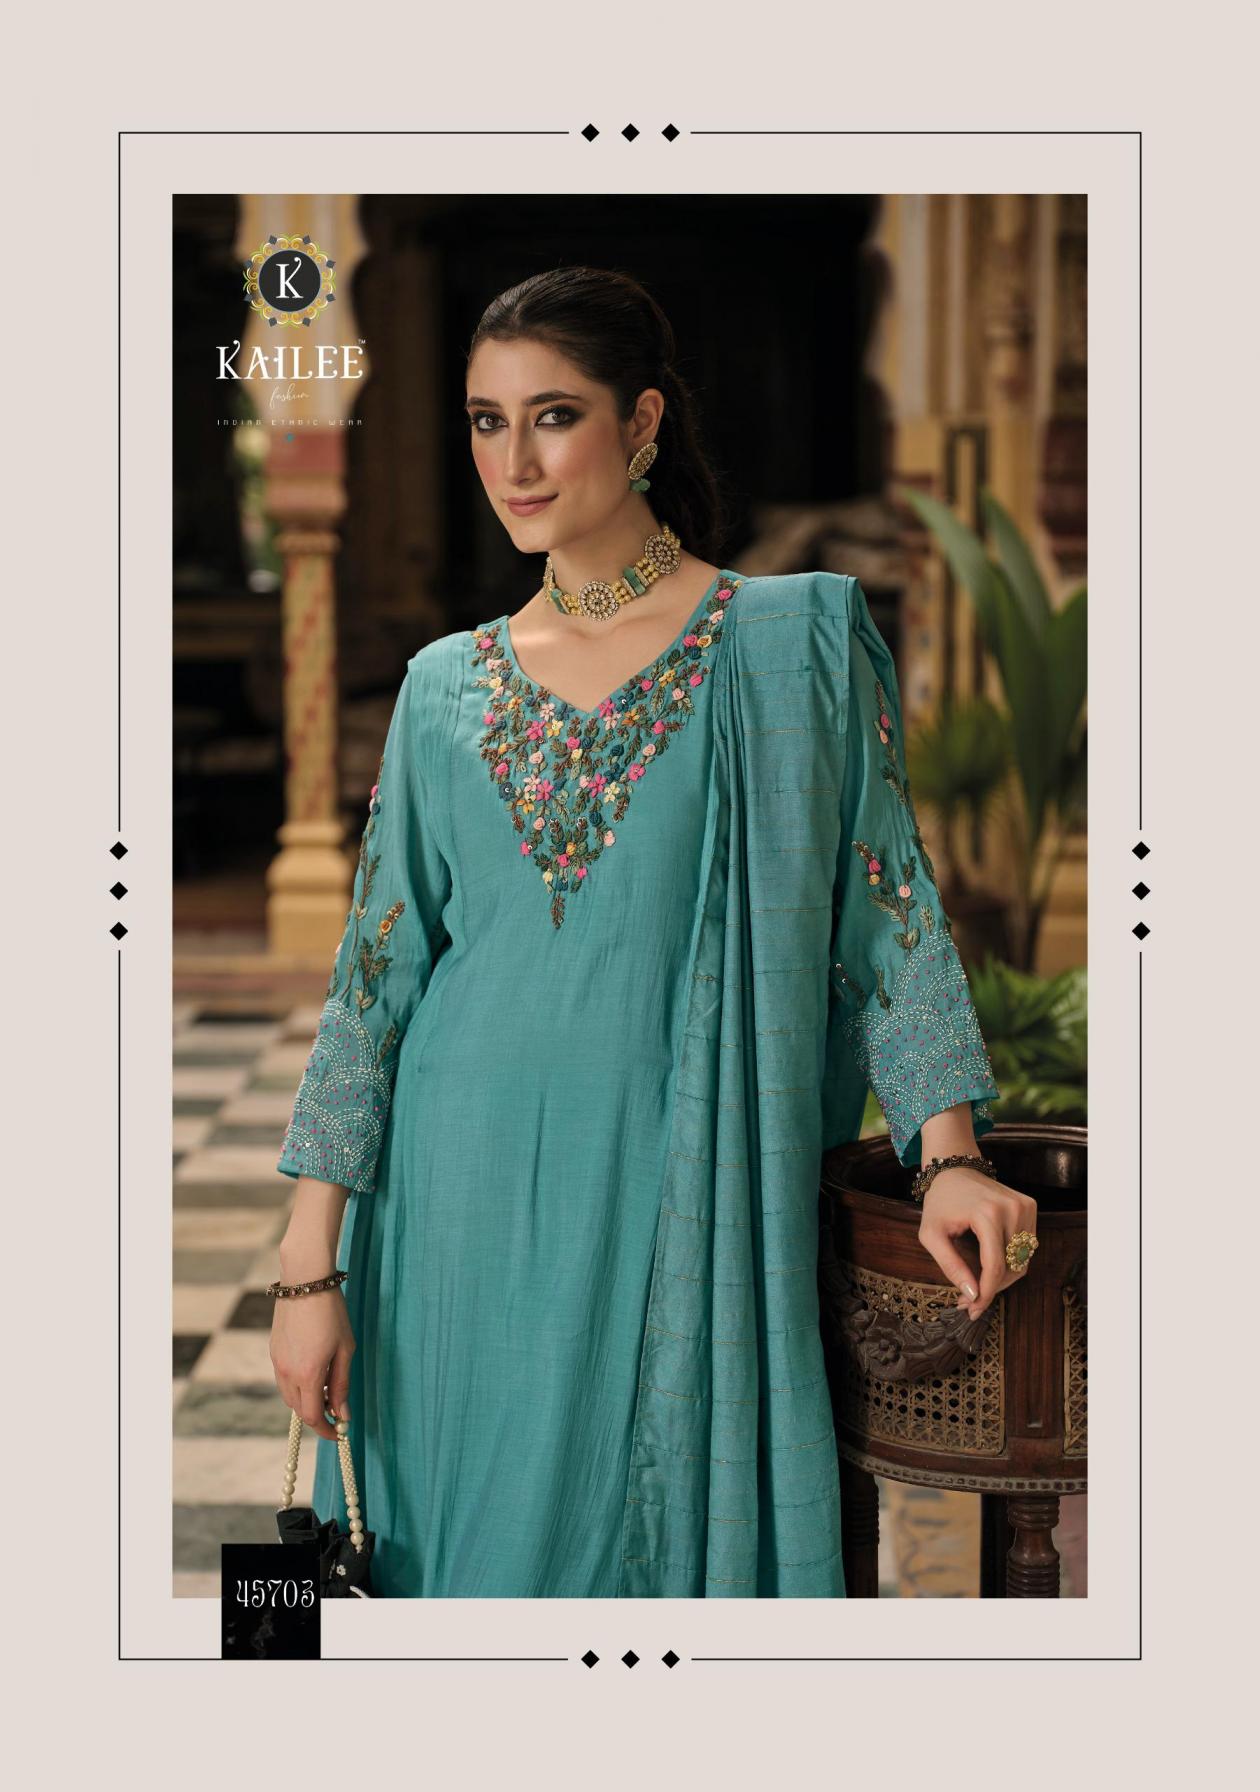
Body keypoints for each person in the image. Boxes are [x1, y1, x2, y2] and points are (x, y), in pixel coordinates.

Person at [270, 265, 1032, 1599]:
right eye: (486, 421)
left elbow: (890, 914)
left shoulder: (791, 648)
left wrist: (950, 1157)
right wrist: (305, 1270)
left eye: (553, 416)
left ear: (641, 423)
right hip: (453, 1213)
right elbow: (374, 986)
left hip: (680, 1200)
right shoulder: (443, 690)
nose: (514, 461)